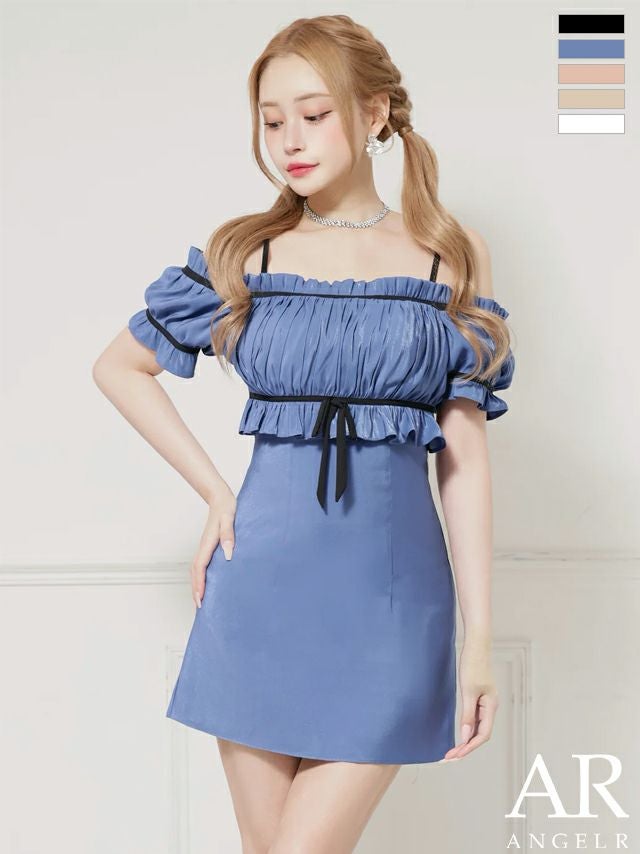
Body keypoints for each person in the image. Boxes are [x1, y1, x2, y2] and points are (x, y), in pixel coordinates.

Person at [93, 13, 515, 854]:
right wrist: (216, 492)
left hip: (393, 604)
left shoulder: (448, 258)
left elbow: (464, 459)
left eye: (313, 115)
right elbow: (119, 368)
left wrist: (478, 641)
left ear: (375, 112)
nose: (289, 139)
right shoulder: (244, 255)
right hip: (259, 590)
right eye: (271, 120)